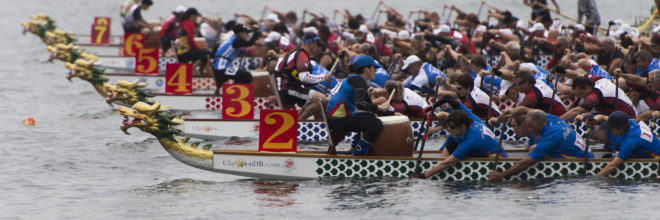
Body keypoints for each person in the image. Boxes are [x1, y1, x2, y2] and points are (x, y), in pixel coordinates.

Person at [413, 97, 507, 179]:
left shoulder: (471, 138)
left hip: (498, 160)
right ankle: (440, 172)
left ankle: (441, 175)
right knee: (450, 146)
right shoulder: (469, 119)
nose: (449, 129)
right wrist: (434, 113)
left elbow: (447, 163)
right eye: (448, 126)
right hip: (481, 152)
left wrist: (424, 175)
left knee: (451, 159)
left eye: (452, 127)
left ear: (462, 127)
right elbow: (448, 99)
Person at [489, 110, 593, 181]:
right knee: (531, 147)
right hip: (585, 153)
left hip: (582, 162)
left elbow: (525, 163)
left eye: (530, 126)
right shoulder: (550, 118)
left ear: (539, 124)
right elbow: (524, 110)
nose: (529, 130)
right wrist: (512, 112)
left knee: (534, 149)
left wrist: (501, 175)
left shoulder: (551, 135)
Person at [326, 56, 397, 156]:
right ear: (366, 69)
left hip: (335, 119)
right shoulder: (359, 81)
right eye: (374, 68)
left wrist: (393, 113)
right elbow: (359, 104)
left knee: (369, 117)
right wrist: (379, 107)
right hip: (339, 120)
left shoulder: (355, 79)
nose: (376, 70)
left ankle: (352, 149)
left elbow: (371, 108)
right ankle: (359, 154)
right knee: (376, 124)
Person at [275, 32, 331, 120]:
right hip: (289, 89)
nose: (318, 48)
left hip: (286, 88)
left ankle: (297, 121)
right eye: (317, 45)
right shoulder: (302, 55)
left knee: (315, 102)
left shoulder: (296, 52)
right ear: (311, 44)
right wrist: (323, 77)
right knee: (322, 99)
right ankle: (298, 124)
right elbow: (304, 77)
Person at [585, 112, 660, 176]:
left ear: (621, 128)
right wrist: (594, 120)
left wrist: (594, 179)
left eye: (611, 128)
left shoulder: (631, 140)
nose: (609, 131)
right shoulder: (630, 122)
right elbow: (602, 117)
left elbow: (612, 166)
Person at [212, 23, 262, 95]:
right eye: (246, 33)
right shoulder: (237, 40)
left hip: (219, 68)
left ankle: (230, 93)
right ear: (241, 33)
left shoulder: (232, 39)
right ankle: (232, 95)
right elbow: (250, 43)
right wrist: (256, 32)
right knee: (247, 76)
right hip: (221, 69)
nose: (247, 35)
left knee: (240, 75)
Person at [560, 75, 637, 121]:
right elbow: (577, 74)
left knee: (587, 118)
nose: (580, 96)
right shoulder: (595, 78)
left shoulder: (595, 97)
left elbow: (576, 111)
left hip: (628, 117)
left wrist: (558, 121)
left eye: (580, 93)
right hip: (615, 112)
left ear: (586, 87)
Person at [176, 8, 215, 76]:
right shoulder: (190, 23)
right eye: (196, 15)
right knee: (208, 53)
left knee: (204, 55)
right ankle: (192, 69)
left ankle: (192, 69)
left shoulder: (183, 23)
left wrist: (198, 49)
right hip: (185, 53)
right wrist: (199, 48)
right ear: (192, 15)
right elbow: (190, 40)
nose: (197, 17)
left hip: (180, 52)